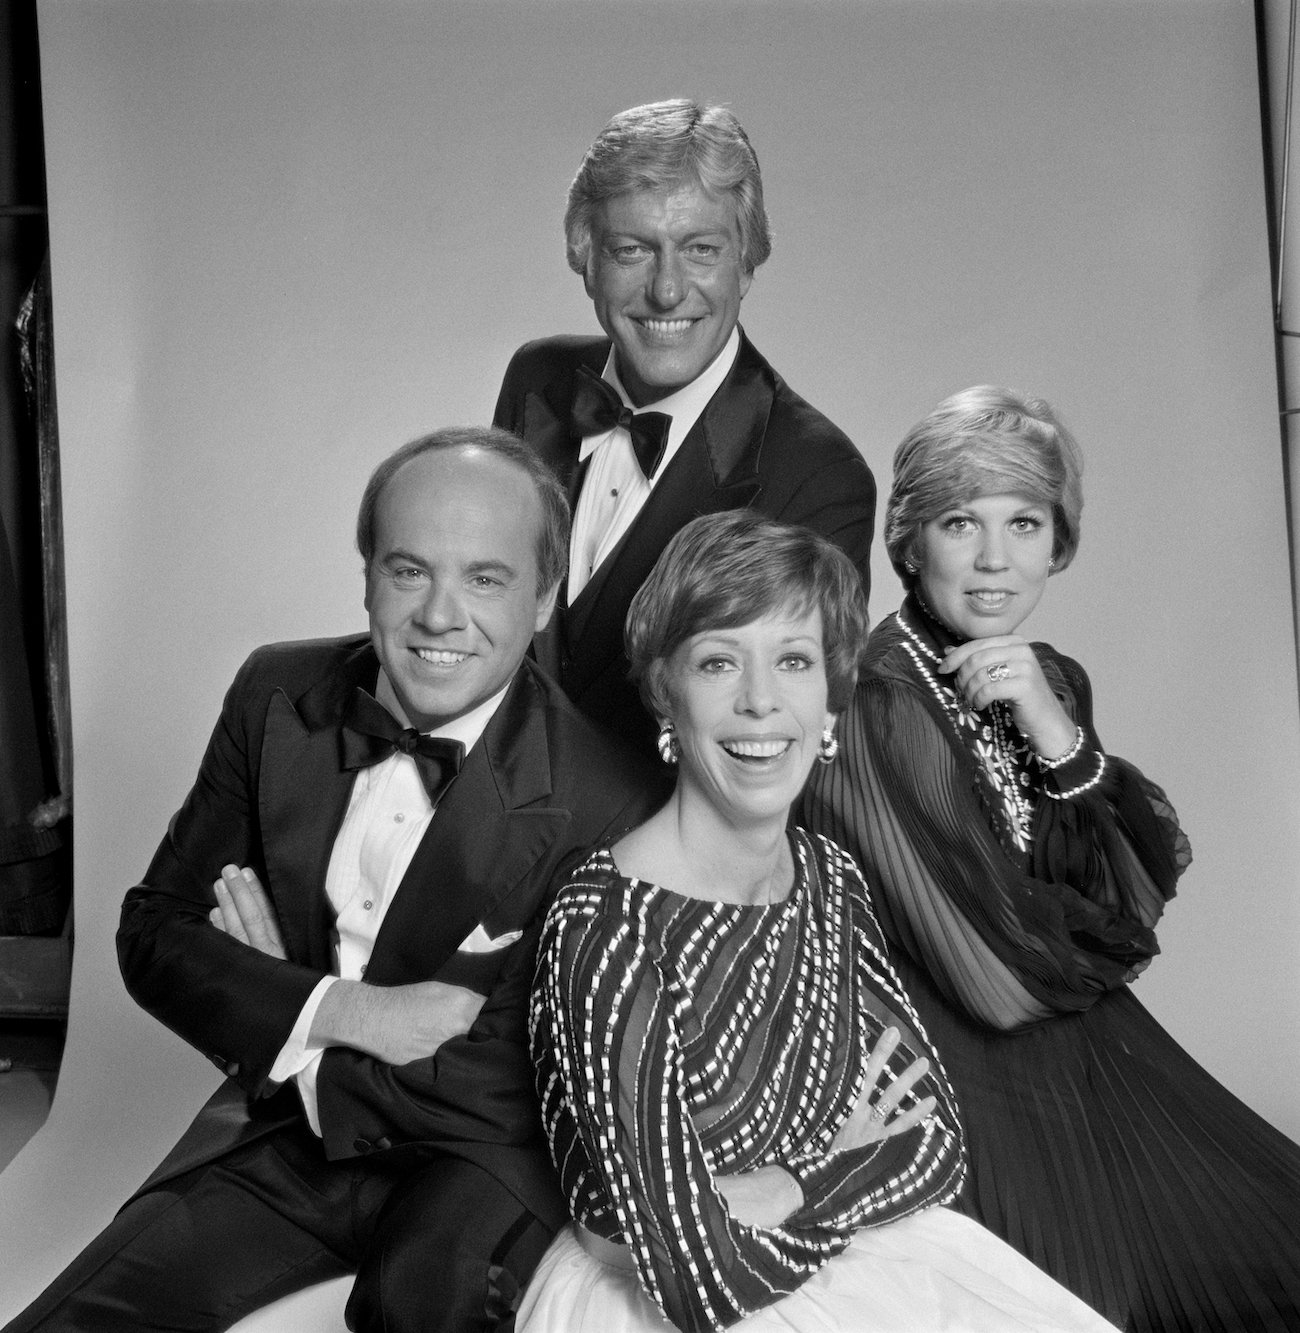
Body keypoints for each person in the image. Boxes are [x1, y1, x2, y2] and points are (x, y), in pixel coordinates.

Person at [4, 427, 667, 1333]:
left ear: (545, 596)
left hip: (476, 1160)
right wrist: (341, 1007)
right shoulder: (276, 693)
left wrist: (271, 1001)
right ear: (365, 573)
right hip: (287, 1137)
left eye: (485, 578)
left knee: (417, 1311)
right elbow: (153, 934)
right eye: (408, 570)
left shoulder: (611, 798)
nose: (440, 615)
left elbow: (518, 1077)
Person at [519, 511, 1118, 1333]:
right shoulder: (605, 923)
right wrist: (843, 1170)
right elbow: (698, 1276)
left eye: (794, 661)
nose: (761, 701)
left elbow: (935, 1144)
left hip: (858, 1273)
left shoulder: (830, 879)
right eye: (719, 661)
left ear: (831, 703)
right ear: (666, 695)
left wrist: (790, 1188)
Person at [800, 386, 1300, 1332]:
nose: (995, 559)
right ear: (911, 542)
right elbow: (992, 979)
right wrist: (1090, 945)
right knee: (1092, 1300)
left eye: (1024, 523)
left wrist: (1054, 727)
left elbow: (1125, 892)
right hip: (948, 1072)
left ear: (1057, 541)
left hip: (1077, 1048)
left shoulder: (1048, 678)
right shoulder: (879, 700)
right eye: (961, 522)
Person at [493, 99, 876, 752]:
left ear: (748, 262)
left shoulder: (818, 475)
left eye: (700, 249)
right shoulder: (537, 380)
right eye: (633, 249)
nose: (667, 290)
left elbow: (781, 737)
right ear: (584, 255)